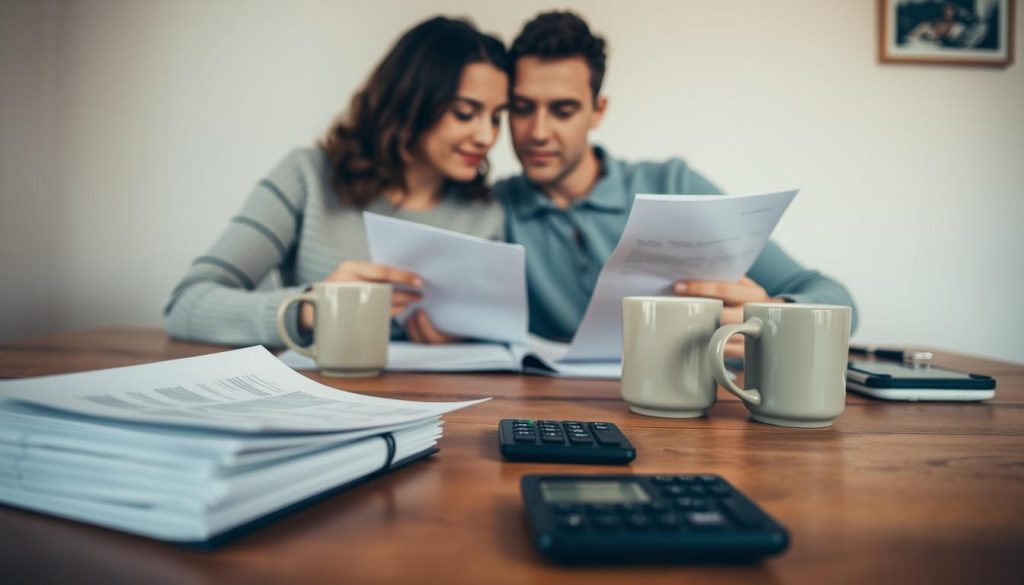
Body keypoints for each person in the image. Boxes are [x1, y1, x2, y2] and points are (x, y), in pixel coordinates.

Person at [494, 11, 858, 357]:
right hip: (566, 410)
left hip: (705, 406)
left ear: (598, 111)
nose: (538, 132)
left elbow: (838, 302)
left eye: (563, 110)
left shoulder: (673, 184)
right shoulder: (492, 208)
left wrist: (771, 316)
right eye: (523, 108)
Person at [165, 16, 508, 346]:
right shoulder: (307, 176)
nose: (487, 136)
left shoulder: (484, 214)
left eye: (496, 117)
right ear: (411, 101)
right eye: (465, 113)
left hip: (434, 398)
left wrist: (463, 332)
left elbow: (497, 329)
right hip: (311, 394)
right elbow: (186, 303)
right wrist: (310, 308)